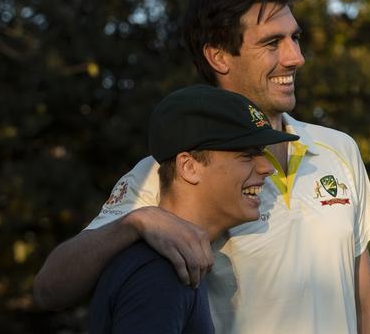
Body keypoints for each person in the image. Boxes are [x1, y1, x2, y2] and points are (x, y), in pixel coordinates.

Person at [34, 0, 370, 333]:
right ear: (219, 57)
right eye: (272, 43)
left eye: (295, 38)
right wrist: (136, 222)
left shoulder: (339, 148)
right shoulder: (173, 167)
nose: (295, 57)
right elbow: (50, 289)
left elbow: (366, 300)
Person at [88, 85, 297, 333]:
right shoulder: (159, 273)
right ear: (189, 167)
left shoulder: (174, 264)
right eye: (247, 155)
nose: (267, 168)